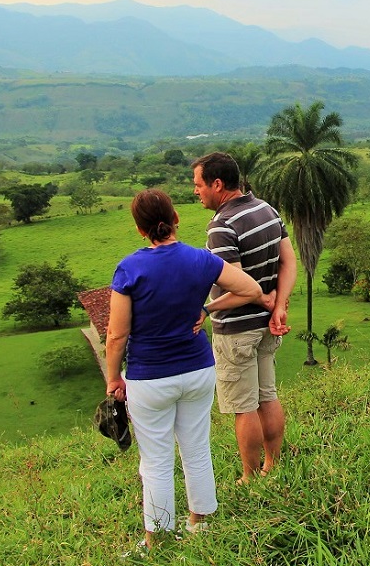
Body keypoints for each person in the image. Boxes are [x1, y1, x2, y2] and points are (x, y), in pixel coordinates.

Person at [105, 189, 265, 551]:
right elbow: (251, 288)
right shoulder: (200, 259)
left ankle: (157, 539)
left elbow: (116, 334)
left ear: (139, 229)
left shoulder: (130, 268)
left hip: (149, 375)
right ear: (175, 218)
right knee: (196, 449)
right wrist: (208, 310)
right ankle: (200, 522)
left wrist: (114, 378)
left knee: (157, 460)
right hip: (196, 370)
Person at [192, 152, 297, 482]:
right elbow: (288, 263)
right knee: (267, 395)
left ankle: (250, 476)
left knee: (244, 405)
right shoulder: (266, 209)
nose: (196, 191)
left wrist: (207, 309)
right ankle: (273, 465)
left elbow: (242, 288)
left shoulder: (221, 227)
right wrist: (278, 306)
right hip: (267, 326)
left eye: (199, 185)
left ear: (218, 184)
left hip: (237, 330)